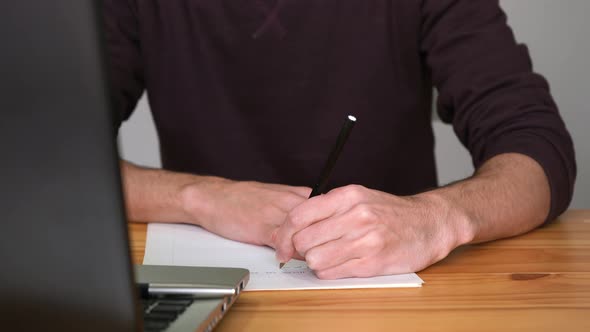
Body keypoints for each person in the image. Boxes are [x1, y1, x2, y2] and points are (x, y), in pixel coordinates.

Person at [104, 0, 576, 279]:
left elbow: (537, 149)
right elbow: (42, 157)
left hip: (388, 299)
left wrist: (438, 219)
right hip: (212, 287)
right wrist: (200, 198)